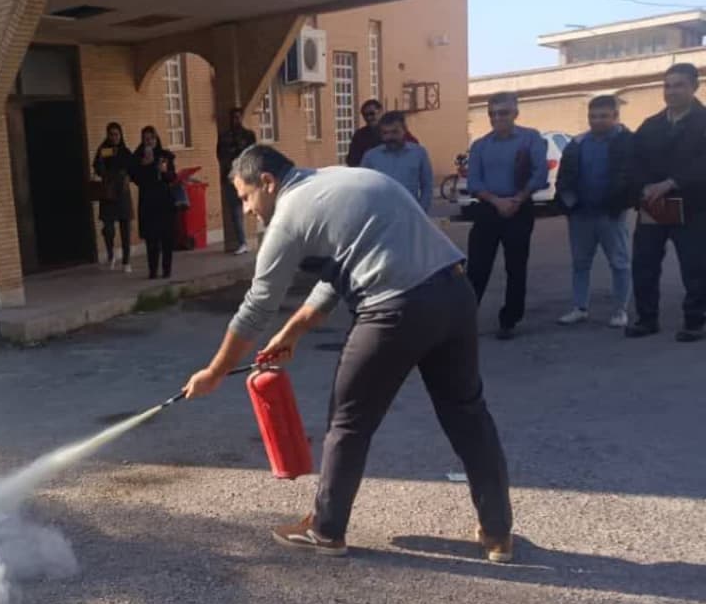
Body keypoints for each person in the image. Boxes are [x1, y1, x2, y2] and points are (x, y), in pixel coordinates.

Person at [183, 146, 514, 563]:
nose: (247, 210)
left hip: (394, 309)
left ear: (267, 182)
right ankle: (498, 533)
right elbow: (341, 270)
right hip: (455, 294)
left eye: (245, 197)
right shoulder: (340, 180)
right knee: (467, 414)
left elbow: (257, 306)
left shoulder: (288, 215)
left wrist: (215, 372)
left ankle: (326, 530)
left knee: (348, 422)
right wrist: (293, 331)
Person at [628, 62, 706, 342]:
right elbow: (634, 161)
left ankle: (694, 322)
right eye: (667, 86)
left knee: (695, 266)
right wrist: (643, 187)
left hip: (694, 205)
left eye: (679, 85)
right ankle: (646, 319)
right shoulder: (651, 126)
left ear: (694, 87)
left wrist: (672, 182)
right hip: (654, 206)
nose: (671, 91)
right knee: (644, 264)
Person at [465, 92, 548, 340]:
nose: (497, 118)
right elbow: (474, 181)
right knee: (477, 267)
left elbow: (539, 174)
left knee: (516, 266)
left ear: (515, 113)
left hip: (519, 208)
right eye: (492, 114)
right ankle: (464, 320)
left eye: (503, 113)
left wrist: (518, 199)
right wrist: (496, 201)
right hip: (488, 209)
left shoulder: (531, 139)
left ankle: (509, 320)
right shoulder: (480, 146)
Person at [553, 96, 638, 329]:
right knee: (580, 264)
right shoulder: (578, 143)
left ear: (615, 116)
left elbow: (634, 176)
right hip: (581, 215)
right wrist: (568, 202)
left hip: (611, 215)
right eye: (593, 116)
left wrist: (623, 202)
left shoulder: (628, 143)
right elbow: (564, 175)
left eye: (603, 116)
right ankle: (579, 308)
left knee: (619, 263)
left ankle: (620, 310)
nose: (597, 121)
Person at [129, 126, 178, 280]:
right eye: (146, 139)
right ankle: (153, 270)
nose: (149, 141)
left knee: (166, 237)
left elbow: (172, 177)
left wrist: (164, 171)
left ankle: (166, 269)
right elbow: (135, 178)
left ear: (156, 139)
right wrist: (144, 165)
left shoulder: (164, 156)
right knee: (151, 238)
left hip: (164, 201)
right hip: (148, 202)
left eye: (152, 138)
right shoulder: (138, 157)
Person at [361, 111, 434, 208]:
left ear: (404, 130)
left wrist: (421, 211)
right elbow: (363, 188)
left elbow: (427, 186)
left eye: (395, 132)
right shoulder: (371, 157)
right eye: (385, 133)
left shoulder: (419, 153)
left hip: (409, 212)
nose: (390, 137)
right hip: (380, 213)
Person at [93, 122, 134, 273]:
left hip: (122, 192)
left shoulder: (125, 151)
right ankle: (111, 255)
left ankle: (126, 261)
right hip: (108, 192)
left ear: (120, 135)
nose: (114, 137)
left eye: (116, 134)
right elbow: (97, 167)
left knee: (125, 227)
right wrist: (105, 169)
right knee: (108, 228)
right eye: (111, 134)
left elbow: (132, 167)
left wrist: (127, 176)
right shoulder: (105, 150)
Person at [216, 107, 257, 255]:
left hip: (245, 177)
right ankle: (242, 242)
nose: (236, 120)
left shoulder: (248, 135)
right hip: (230, 178)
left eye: (238, 117)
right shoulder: (224, 137)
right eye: (234, 117)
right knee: (235, 211)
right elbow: (220, 156)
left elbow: (252, 154)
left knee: (255, 206)